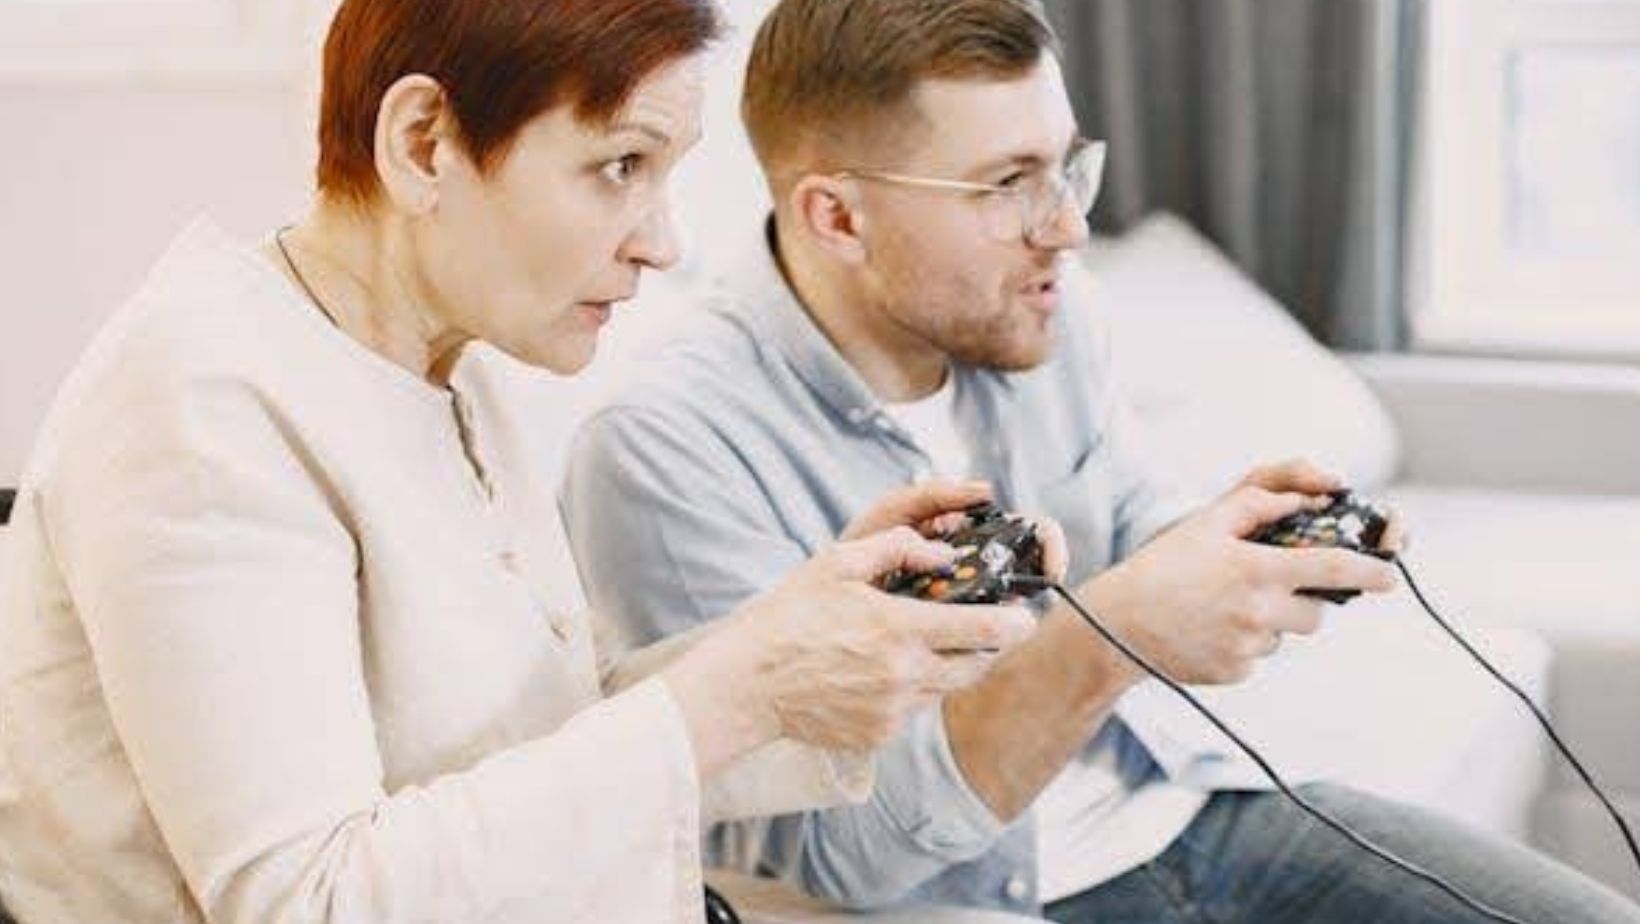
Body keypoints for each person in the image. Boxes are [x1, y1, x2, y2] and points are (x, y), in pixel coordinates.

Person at [559, 0, 1640, 921]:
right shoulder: (663, 446)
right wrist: (1115, 632)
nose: (1066, 229)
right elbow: (847, 859)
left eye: (1065, 166)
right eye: (1008, 183)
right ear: (835, 215)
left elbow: (1123, 518)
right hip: (979, 895)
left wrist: (1221, 551)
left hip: (1188, 809)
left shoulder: (1040, 315)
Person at [0, 1, 1046, 921]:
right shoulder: (201, 408)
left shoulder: (456, 365)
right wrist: (739, 689)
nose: (661, 242)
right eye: (620, 168)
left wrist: (794, 649)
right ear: (423, 143)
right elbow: (310, 899)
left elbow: (544, 736)